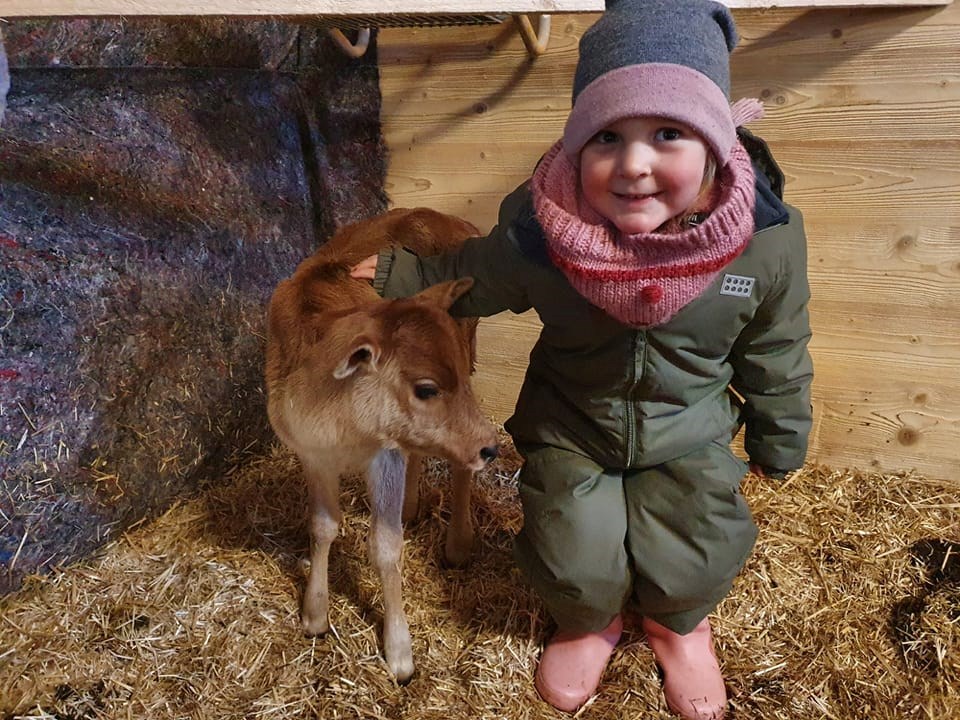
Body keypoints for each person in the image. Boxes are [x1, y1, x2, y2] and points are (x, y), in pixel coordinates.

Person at [352, 1, 813, 717]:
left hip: (689, 432)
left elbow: (777, 345)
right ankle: (588, 619)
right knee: (574, 553)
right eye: (606, 136)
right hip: (573, 426)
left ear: (720, 143)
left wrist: (780, 439)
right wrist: (393, 278)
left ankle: (677, 623)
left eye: (668, 133)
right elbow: (477, 274)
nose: (633, 163)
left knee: (696, 544)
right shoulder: (543, 230)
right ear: (575, 147)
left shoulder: (766, 239)